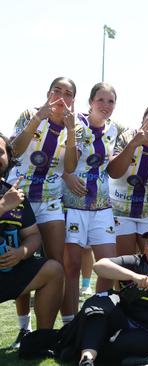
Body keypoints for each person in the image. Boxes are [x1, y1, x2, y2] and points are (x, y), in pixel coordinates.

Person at [8, 76, 79, 347]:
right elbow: (14, 150)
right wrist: (37, 119)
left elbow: (70, 167)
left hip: (50, 201)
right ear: (48, 93)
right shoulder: (29, 114)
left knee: (56, 263)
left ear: (74, 99)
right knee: (20, 261)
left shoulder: (77, 125)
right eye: (57, 90)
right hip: (19, 198)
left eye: (68, 93)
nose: (61, 96)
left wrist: (71, 131)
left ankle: (45, 333)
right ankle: (24, 329)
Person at [69, 226, 148, 366]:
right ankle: (86, 359)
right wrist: (133, 276)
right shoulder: (136, 262)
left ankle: (132, 360)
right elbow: (99, 266)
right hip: (122, 319)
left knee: (113, 345)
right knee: (98, 303)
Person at [60, 82, 126, 324]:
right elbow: (57, 160)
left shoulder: (113, 130)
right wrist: (67, 175)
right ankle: (69, 324)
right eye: (101, 100)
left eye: (110, 101)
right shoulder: (74, 123)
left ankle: (95, 320)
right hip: (73, 204)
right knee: (72, 266)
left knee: (108, 266)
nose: (105, 105)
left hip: (102, 206)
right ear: (90, 102)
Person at [0, 132, 64, 331]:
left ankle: (40, 340)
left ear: (9, 158)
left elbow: (33, 235)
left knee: (54, 269)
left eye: (0, 152)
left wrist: (22, 252)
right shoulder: (8, 199)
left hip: (7, 271)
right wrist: (3, 206)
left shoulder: (14, 194)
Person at [107, 103, 148, 256]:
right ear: (143, 119)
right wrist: (133, 145)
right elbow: (114, 172)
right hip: (120, 209)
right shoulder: (127, 136)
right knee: (124, 265)